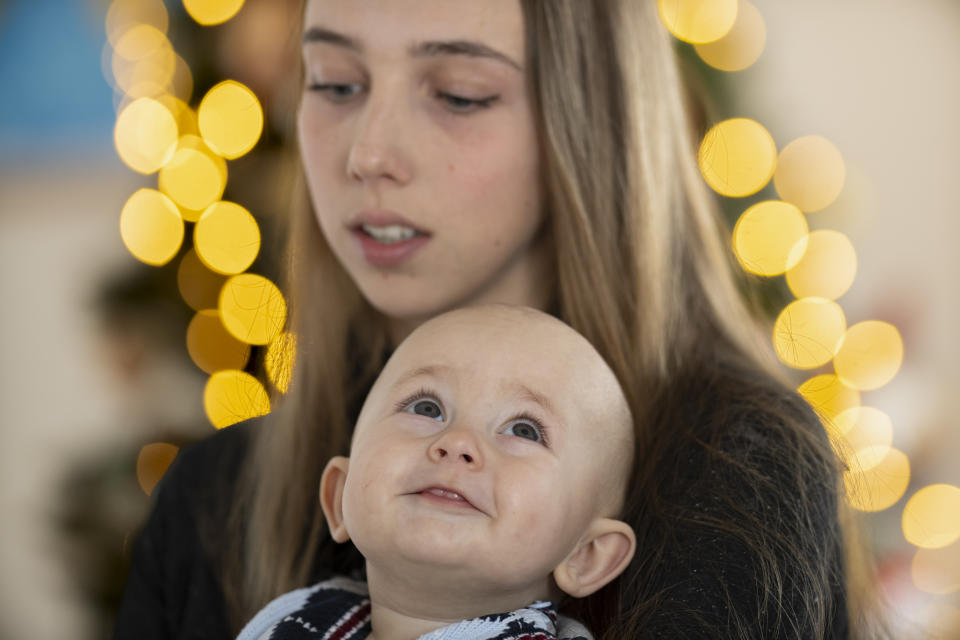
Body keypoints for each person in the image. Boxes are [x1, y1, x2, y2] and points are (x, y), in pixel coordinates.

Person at [115, 1, 878, 638]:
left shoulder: (741, 472)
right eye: (336, 82)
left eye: (459, 94)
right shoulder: (214, 497)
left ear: (590, 122)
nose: (368, 154)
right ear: (336, 494)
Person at [237, 305, 637, 639]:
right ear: (340, 497)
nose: (458, 442)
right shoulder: (298, 621)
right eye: (427, 408)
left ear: (586, 555)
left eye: (524, 430)